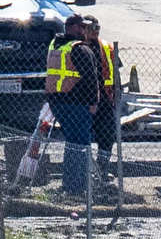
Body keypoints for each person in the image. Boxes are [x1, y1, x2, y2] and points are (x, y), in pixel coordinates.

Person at [47, 14, 120, 196]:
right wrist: (93, 102)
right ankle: (78, 185)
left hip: (64, 101)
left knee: (81, 140)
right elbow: (90, 79)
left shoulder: (58, 45)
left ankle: (81, 179)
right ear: (73, 27)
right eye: (83, 27)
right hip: (78, 102)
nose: (87, 30)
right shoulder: (78, 49)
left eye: (92, 27)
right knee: (79, 143)